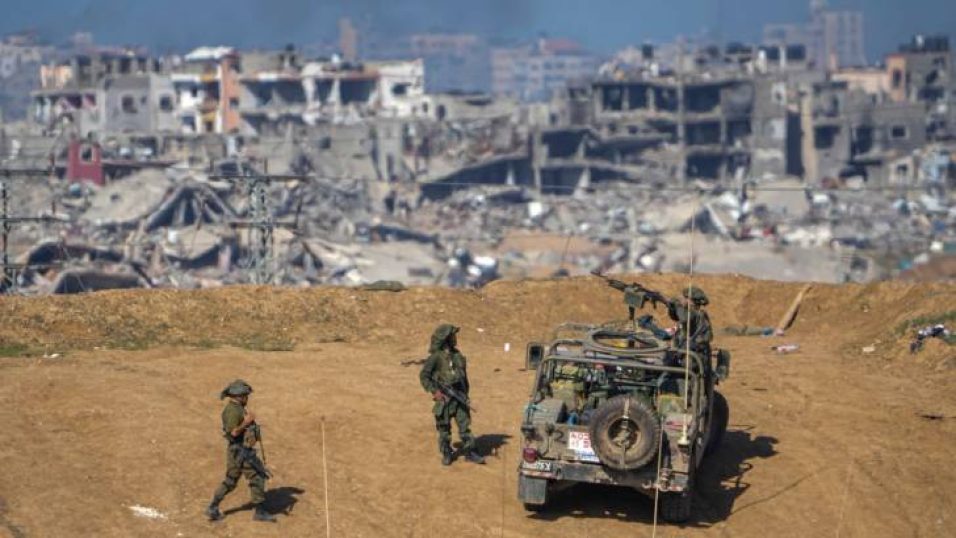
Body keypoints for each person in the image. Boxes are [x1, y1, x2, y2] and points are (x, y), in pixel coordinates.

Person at [205, 379, 275, 523]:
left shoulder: (238, 408)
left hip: (239, 451)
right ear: (239, 396)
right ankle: (260, 512)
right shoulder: (232, 411)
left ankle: (213, 506)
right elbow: (233, 432)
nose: (247, 398)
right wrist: (246, 422)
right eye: (245, 396)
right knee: (257, 477)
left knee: (231, 481)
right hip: (240, 452)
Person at [419, 324, 485, 466]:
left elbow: (463, 377)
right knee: (444, 429)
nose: (455, 338)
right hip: (444, 399)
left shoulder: (457, 355)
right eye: (453, 336)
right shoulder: (436, 357)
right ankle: (447, 453)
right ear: (446, 339)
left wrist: (465, 394)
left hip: (459, 396)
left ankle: (470, 452)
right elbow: (424, 376)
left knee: (464, 427)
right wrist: (435, 391)